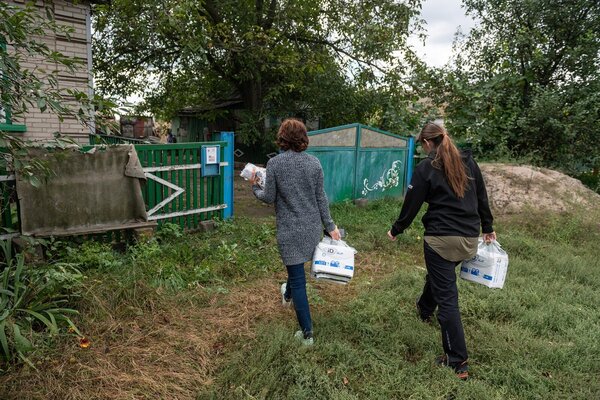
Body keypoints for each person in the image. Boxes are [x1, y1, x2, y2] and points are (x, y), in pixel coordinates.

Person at [387, 122, 496, 380]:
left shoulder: (427, 167)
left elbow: (411, 204)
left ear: (427, 144)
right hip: (469, 239)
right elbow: (481, 196)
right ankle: (424, 308)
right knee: (439, 276)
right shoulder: (468, 162)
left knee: (448, 298)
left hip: (441, 240)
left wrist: (396, 229)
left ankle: (458, 361)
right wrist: (488, 227)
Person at [250, 118, 341, 346]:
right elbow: (321, 198)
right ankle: (287, 293)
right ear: (303, 138)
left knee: (298, 279)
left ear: (282, 138)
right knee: (297, 274)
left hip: (289, 231)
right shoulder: (314, 164)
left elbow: (269, 197)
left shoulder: (275, 165)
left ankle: (307, 334)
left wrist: (254, 186)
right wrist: (330, 226)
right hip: (311, 230)